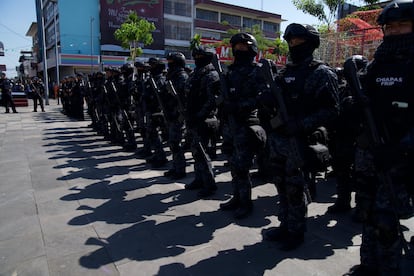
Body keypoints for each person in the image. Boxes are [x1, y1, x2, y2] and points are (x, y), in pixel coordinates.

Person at [345, 1, 414, 275]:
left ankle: (389, 268)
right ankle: (368, 264)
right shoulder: (378, 63)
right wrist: (352, 106)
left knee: (387, 221)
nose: (395, 32)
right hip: (371, 154)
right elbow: (362, 98)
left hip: (400, 159)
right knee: (368, 213)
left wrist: (402, 148)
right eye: (390, 27)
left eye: (402, 25)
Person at [259, 23, 339, 250]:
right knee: (280, 186)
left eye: (298, 42)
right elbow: (273, 97)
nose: (293, 45)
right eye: (291, 42)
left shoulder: (322, 73)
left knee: (295, 188)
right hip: (279, 139)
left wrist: (302, 124)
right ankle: (285, 224)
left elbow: (333, 110)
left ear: (310, 43)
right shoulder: (286, 72)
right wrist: (265, 98)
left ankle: (296, 231)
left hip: (299, 140)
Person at [218, 33, 267, 218]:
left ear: (252, 49)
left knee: (243, 167)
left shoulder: (257, 71)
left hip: (246, 124)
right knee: (232, 164)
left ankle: (246, 202)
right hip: (230, 126)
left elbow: (262, 98)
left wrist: (239, 106)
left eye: (243, 47)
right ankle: (236, 197)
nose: (239, 50)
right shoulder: (229, 71)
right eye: (236, 47)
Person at [184, 45, 219, 197]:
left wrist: (199, 115)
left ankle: (209, 183)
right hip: (193, 117)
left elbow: (212, 100)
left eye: (200, 57)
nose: (197, 59)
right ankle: (199, 179)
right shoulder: (195, 73)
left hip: (204, 119)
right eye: (196, 56)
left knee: (203, 153)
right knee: (196, 152)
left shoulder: (211, 74)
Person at [162, 52, 188, 180]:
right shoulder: (171, 76)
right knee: (172, 143)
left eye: (171, 62)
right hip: (170, 113)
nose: (169, 65)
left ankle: (180, 169)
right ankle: (175, 166)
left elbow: (182, 97)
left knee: (176, 143)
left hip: (178, 114)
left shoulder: (181, 76)